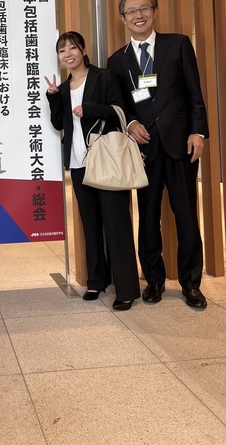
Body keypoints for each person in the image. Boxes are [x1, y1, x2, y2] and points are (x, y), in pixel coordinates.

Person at [108, 0, 208, 309]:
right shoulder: (117, 61)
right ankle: (153, 280)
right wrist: (130, 124)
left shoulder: (178, 44)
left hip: (181, 145)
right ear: (123, 18)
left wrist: (198, 132)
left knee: (187, 217)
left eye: (143, 9)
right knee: (148, 218)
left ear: (154, 12)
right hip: (145, 150)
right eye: (131, 11)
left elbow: (194, 93)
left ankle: (191, 284)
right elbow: (119, 105)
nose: (138, 15)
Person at [45, 31, 140, 311]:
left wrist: (89, 108)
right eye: (62, 50)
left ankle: (126, 288)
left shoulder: (104, 77)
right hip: (78, 164)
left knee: (116, 223)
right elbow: (58, 124)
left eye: (72, 48)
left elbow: (119, 111)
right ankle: (97, 281)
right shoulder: (63, 88)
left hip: (106, 161)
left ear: (84, 50)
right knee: (90, 224)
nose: (68, 54)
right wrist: (53, 98)